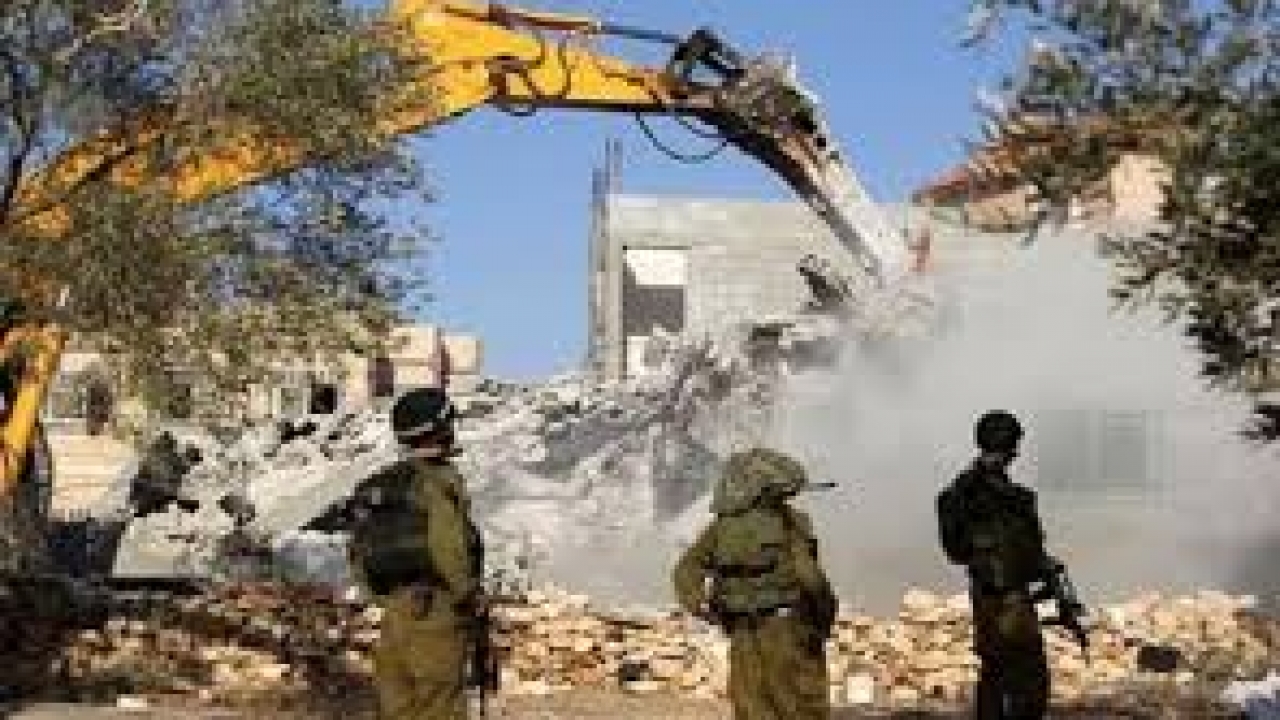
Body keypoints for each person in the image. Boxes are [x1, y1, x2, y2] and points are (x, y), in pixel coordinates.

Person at [348, 387, 484, 720]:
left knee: (397, 707)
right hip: (436, 610)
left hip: (394, 613)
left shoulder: (384, 484)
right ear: (440, 428)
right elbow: (447, 545)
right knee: (440, 706)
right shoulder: (437, 481)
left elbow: (358, 551)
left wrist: (385, 599)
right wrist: (467, 594)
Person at [672, 447, 837, 720]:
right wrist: (823, 618)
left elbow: (687, 568)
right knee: (798, 700)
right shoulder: (792, 523)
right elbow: (811, 579)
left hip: (741, 628)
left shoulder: (722, 527)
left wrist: (699, 605)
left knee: (750, 699)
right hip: (786, 628)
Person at [937, 410, 1055, 719]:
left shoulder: (973, 492)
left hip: (992, 595)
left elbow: (957, 550)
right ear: (1008, 447)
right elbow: (959, 549)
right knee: (1027, 676)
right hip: (1005, 598)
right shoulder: (988, 495)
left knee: (995, 672)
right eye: (1013, 446)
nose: (1016, 454)